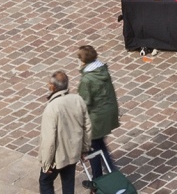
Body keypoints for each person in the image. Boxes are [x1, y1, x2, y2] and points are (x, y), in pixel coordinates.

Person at [75, 45, 122, 186]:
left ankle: (98, 180)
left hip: (95, 119)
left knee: (94, 148)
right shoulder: (102, 70)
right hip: (107, 114)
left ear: (83, 61)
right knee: (100, 145)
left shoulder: (87, 80)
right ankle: (110, 173)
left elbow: (84, 103)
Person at [38, 70, 91, 194]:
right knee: (68, 185)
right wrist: (84, 149)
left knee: (45, 182)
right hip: (73, 152)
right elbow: (87, 126)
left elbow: (49, 139)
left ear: (53, 87)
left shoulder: (52, 108)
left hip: (57, 156)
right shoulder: (77, 100)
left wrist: (46, 163)